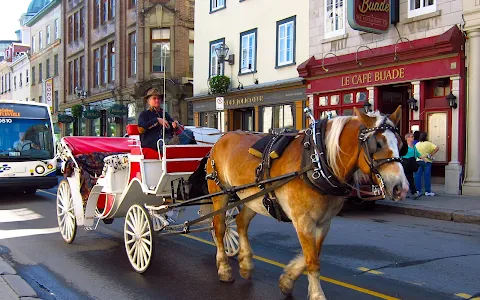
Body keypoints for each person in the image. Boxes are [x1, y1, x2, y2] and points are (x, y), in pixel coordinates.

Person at [138, 88, 178, 156]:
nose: (157, 100)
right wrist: (157, 120)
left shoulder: (164, 114)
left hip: (167, 140)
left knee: (188, 134)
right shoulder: (144, 114)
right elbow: (141, 129)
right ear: (148, 101)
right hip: (153, 144)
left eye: (159, 98)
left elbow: (171, 125)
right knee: (167, 145)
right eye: (154, 98)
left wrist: (174, 124)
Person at [414, 132, 439, 196]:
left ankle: (417, 191)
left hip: (418, 161)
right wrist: (431, 154)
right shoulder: (429, 144)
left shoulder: (417, 144)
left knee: (417, 176)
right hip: (427, 161)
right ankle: (427, 191)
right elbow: (437, 148)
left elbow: (415, 153)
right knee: (427, 176)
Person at [402, 133, 421, 199]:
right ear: (407, 138)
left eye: (413, 137)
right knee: (410, 178)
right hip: (405, 163)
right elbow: (400, 154)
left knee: (408, 178)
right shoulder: (404, 146)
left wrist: (423, 157)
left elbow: (418, 153)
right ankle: (414, 193)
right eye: (411, 137)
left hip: (412, 163)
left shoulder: (414, 146)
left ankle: (405, 192)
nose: (413, 138)